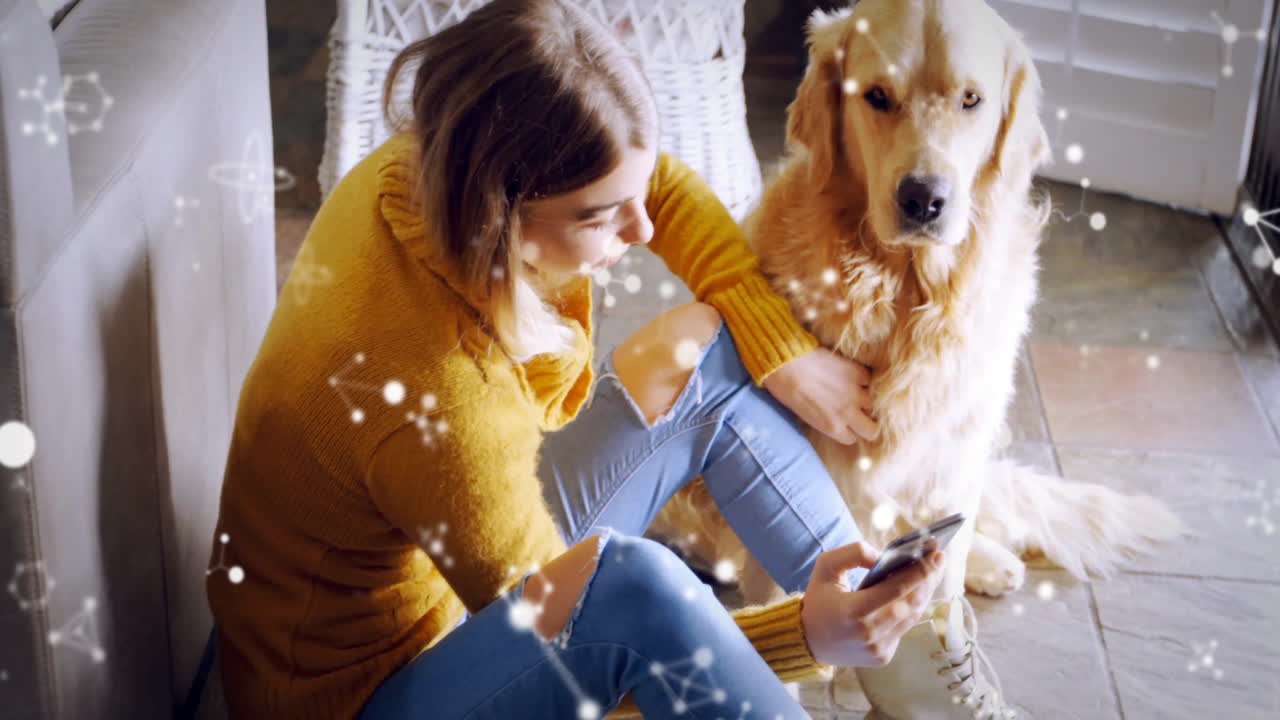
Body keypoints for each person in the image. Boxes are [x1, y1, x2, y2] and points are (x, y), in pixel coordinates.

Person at [205, 1, 945, 718]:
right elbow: (591, 632)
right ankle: (842, 632)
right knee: (638, 588)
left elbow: (646, 184)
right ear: (502, 214)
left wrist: (778, 351)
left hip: (444, 573)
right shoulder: (447, 399)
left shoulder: (433, 158)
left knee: (701, 351)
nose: (643, 226)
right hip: (362, 697)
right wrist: (802, 636)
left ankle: (895, 647)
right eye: (599, 216)